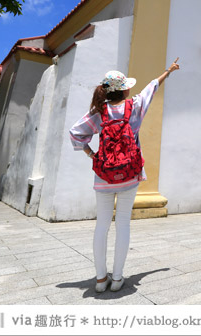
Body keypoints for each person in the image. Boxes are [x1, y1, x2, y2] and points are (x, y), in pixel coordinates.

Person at [69, 58, 180, 292]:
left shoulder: (98, 112)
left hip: (104, 175)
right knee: (123, 225)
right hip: (130, 173)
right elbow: (152, 86)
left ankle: (100, 280)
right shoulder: (136, 105)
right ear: (126, 89)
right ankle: (117, 278)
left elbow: (75, 133)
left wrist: (93, 155)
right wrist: (168, 71)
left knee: (102, 225)